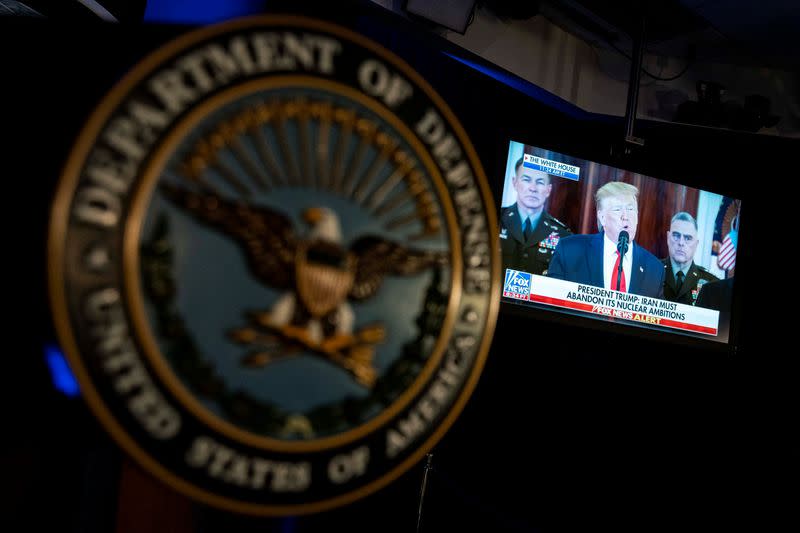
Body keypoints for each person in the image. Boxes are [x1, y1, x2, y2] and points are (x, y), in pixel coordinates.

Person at [547, 181, 664, 298]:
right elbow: (550, 301)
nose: (626, 217)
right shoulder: (569, 251)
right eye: (617, 209)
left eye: (631, 209)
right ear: (602, 217)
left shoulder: (654, 269)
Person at [500, 157, 572, 275]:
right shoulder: (495, 220)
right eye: (526, 179)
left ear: (548, 190)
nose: (533, 188)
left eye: (540, 182)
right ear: (515, 183)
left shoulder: (563, 235)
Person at [661, 212, 719, 305]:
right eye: (676, 235)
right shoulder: (652, 272)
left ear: (696, 244)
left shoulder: (711, 283)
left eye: (688, 238)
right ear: (668, 237)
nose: (681, 242)